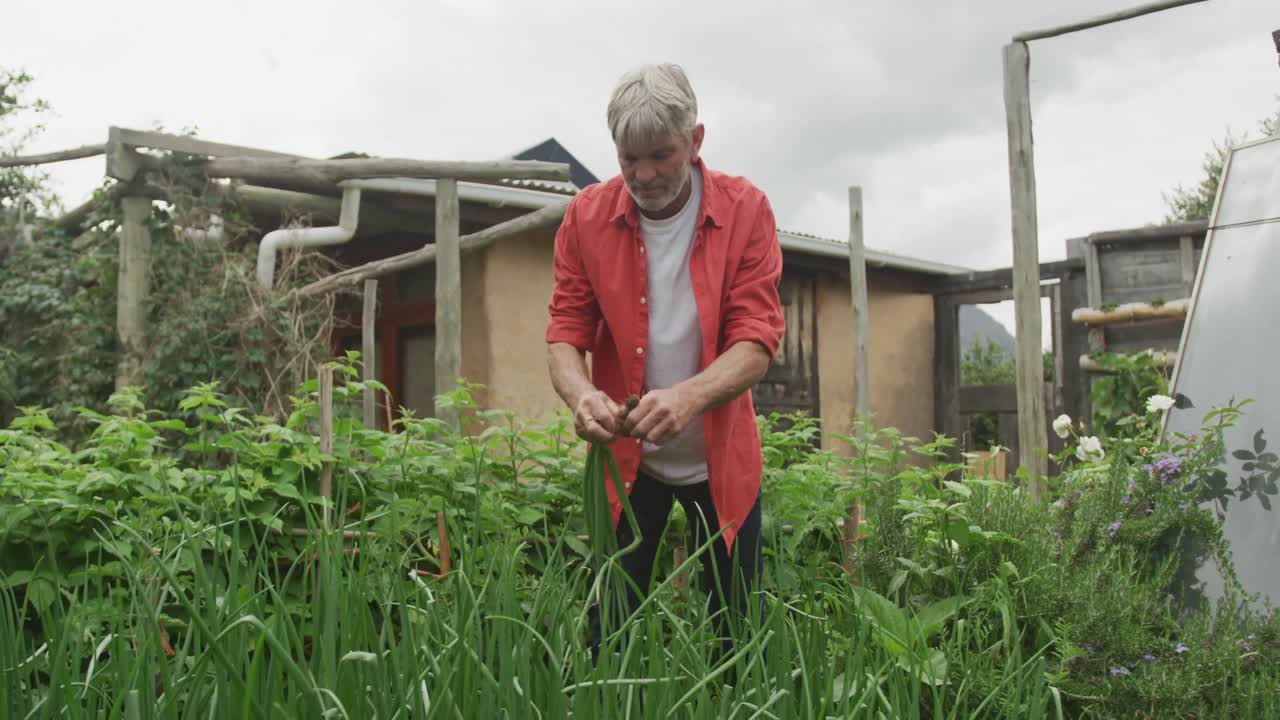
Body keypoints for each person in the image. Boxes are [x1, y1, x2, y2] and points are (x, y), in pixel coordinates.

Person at [544, 63, 785, 660]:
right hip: (628, 464)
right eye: (629, 158)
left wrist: (688, 397)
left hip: (721, 460)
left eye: (660, 155)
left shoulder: (746, 209)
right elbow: (565, 333)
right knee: (611, 632)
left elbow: (757, 339)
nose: (643, 175)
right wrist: (582, 397)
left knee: (736, 636)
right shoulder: (586, 217)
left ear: (695, 140)